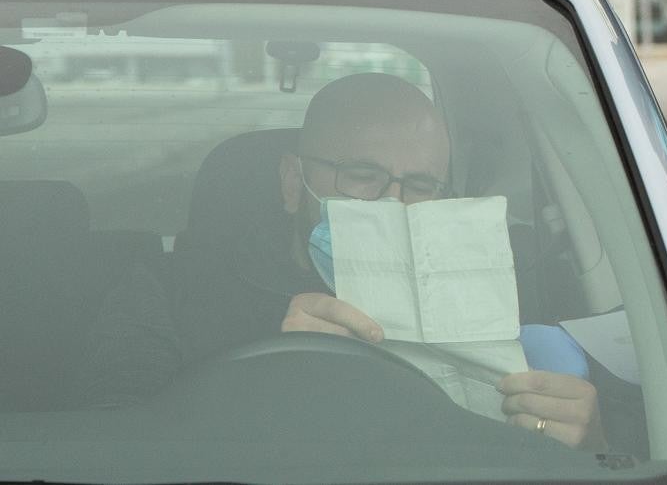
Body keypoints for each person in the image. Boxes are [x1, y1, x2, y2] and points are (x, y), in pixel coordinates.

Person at [77, 73, 606, 450]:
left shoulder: (514, 288)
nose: (391, 203)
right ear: (292, 183)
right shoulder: (169, 290)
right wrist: (285, 378)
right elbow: (117, 447)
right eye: (361, 175)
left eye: (420, 185)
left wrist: (581, 436)